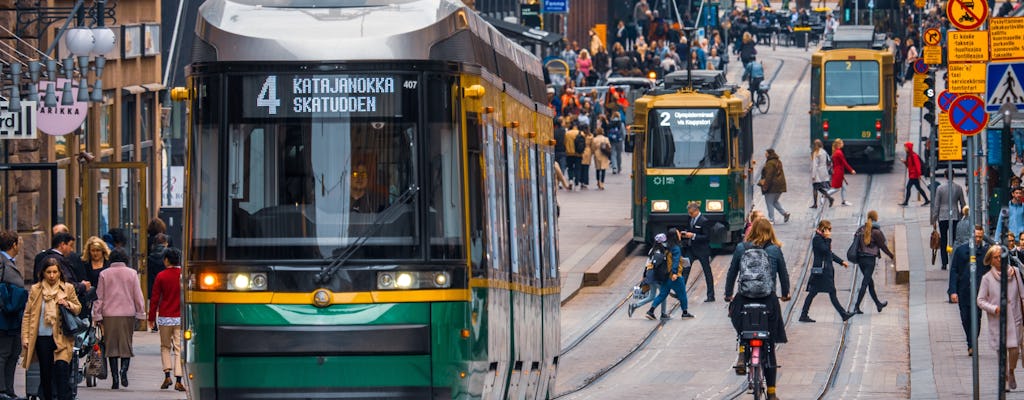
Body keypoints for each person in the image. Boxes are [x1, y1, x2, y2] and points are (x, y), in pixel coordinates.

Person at [724, 218, 791, 400]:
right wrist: (785, 293)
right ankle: (771, 393)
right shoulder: (775, 250)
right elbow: (783, 275)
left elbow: (732, 273)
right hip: (768, 301)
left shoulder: (741, 248)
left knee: (738, 322)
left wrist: (728, 294)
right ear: (771, 232)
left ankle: (742, 351)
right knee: (769, 346)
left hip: (744, 300)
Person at [20, 257, 81, 400]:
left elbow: (78, 308)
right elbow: (27, 314)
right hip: (42, 337)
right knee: (46, 375)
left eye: (55, 272)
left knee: (62, 372)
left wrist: (67, 304)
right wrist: (26, 337)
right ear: (43, 273)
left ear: (60, 272)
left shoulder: (68, 288)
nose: (52, 275)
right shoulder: (36, 289)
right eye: (49, 272)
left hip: (62, 338)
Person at [92, 251, 146, 389]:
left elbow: (100, 297)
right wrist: (141, 313)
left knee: (111, 347)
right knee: (126, 344)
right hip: (127, 314)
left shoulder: (104, 274)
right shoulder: (132, 273)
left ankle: (115, 379)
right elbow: (138, 295)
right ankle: (124, 372)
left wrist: (97, 315)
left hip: (108, 314)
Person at [977, 245, 1024, 389]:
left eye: (1001, 257)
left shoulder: (1015, 272)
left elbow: (1022, 294)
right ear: (991, 260)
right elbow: (980, 300)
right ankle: (1003, 380)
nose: (999, 260)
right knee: (1002, 352)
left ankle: (1011, 371)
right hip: (998, 321)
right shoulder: (987, 279)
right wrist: (993, 308)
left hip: (1015, 318)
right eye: (996, 258)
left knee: (1014, 350)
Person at [800, 220, 854, 322]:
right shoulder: (817, 239)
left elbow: (830, 254)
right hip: (822, 272)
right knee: (829, 292)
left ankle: (803, 315)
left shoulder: (822, 239)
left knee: (813, 293)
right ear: (822, 229)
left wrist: (841, 262)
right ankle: (843, 314)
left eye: (830, 230)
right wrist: (828, 239)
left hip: (824, 271)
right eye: (828, 229)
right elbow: (825, 250)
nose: (829, 232)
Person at [949, 225, 991, 356]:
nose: (978, 239)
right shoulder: (961, 251)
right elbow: (954, 271)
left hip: (979, 292)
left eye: (980, 236)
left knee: (977, 318)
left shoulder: (985, 253)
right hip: (964, 290)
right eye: (976, 236)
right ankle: (970, 342)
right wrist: (953, 291)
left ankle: (972, 343)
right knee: (965, 318)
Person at [149, 248, 185, 391]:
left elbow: (155, 299)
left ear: (166, 260)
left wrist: (151, 318)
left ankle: (167, 375)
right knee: (179, 348)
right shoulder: (184, 275)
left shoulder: (161, 276)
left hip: (165, 317)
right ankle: (179, 379)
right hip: (180, 317)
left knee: (165, 347)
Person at [850, 211, 895, 314]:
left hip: (861, 260)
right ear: (876, 218)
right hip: (870, 260)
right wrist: (891, 255)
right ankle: (856, 306)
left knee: (870, 283)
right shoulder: (876, 232)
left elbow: (855, 241)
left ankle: (878, 304)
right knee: (865, 283)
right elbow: (883, 246)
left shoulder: (861, 229)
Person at [645, 228, 693, 319]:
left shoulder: (667, 246)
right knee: (682, 293)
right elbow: (675, 261)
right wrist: (675, 272)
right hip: (675, 276)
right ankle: (685, 312)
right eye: (678, 233)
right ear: (675, 236)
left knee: (663, 294)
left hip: (666, 275)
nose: (680, 234)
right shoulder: (676, 248)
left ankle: (651, 311)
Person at [0, 231, 24, 400]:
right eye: (19, 242)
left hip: (14, 316)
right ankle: (2, 390)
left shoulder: (8, 262)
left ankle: (9, 390)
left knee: (13, 353)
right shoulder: (2, 263)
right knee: (4, 354)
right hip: (4, 317)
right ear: (14, 244)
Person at [631, 233, 671, 319]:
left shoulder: (652, 250)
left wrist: (644, 276)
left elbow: (647, 264)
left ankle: (635, 305)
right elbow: (660, 267)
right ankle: (663, 313)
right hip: (656, 276)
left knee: (651, 296)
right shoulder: (660, 252)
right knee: (663, 294)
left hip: (650, 276)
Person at [682, 203, 716, 302]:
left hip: (702, 250)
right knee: (685, 269)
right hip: (691, 249)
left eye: (691, 213)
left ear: (696, 211)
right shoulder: (690, 219)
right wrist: (685, 233)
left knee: (707, 272)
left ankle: (711, 295)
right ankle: (680, 292)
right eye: (689, 213)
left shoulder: (704, 221)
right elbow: (689, 229)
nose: (690, 215)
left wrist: (693, 236)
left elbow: (706, 237)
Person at [931, 178, 966, 269]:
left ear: (945, 176)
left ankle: (944, 262)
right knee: (955, 240)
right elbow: (963, 204)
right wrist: (962, 215)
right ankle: (954, 259)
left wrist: (934, 219)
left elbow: (937, 205)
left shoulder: (940, 188)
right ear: (954, 176)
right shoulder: (958, 188)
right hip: (954, 216)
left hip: (942, 217)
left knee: (943, 240)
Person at [759, 149, 791, 224]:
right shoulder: (778, 161)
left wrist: (765, 186)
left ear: (769, 154)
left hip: (772, 187)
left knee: (769, 203)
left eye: (766, 153)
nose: (765, 154)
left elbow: (769, 176)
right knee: (774, 201)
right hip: (779, 186)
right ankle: (785, 213)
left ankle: (771, 219)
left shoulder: (770, 163)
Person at [898, 142, 930, 206]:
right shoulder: (909, 155)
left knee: (908, 187)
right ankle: (926, 200)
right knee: (918, 188)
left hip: (914, 175)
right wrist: (904, 162)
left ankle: (906, 202)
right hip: (912, 175)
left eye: (906, 147)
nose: (905, 149)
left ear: (909, 148)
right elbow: (909, 165)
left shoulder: (913, 156)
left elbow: (918, 166)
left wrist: (918, 174)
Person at [828, 139, 856, 206]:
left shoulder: (837, 151)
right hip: (838, 172)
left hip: (839, 171)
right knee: (836, 188)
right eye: (842, 143)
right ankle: (825, 194)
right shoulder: (839, 153)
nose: (843, 144)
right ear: (839, 144)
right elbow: (844, 163)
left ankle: (844, 201)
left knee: (844, 187)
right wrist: (851, 170)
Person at [810, 139, 834, 208]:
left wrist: (813, 175)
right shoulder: (824, 152)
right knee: (819, 188)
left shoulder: (816, 153)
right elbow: (829, 161)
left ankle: (815, 204)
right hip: (823, 172)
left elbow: (815, 165)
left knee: (815, 188)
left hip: (817, 173)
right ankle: (830, 198)